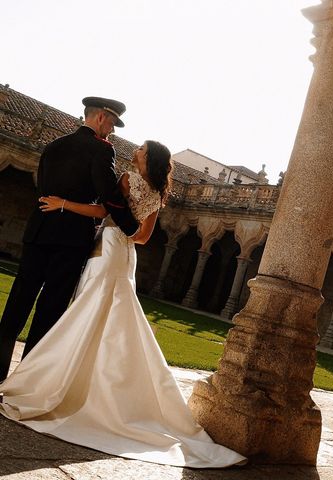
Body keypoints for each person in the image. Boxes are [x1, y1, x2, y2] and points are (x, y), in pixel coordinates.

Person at [0, 141, 246, 468]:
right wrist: (127, 223)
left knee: (86, 311)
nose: (139, 149)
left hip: (108, 246)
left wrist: (64, 204)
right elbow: (143, 238)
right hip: (126, 253)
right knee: (107, 313)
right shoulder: (158, 193)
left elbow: (104, 212)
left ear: (147, 157)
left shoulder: (128, 178)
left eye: (142, 148)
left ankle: (61, 382)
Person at [0, 97, 139, 382]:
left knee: (17, 303)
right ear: (101, 117)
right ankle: (26, 381)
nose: (111, 130)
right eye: (111, 123)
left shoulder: (54, 145)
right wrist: (130, 225)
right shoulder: (101, 151)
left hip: (38, 230)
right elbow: (107, 194)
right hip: (71, 238)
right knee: (50, 309)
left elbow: (44, 188)